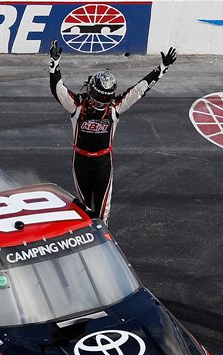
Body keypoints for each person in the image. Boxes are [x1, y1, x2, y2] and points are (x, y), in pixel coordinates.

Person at [48, 40, 177, 224]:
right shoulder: (77, 105)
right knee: (83, 209)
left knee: (102, 211)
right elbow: (58, 90)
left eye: (105, 97)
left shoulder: (115, 107)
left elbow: (139, 90)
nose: (102, 101)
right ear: (91, 90)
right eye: (99, 95)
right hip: (81, 161)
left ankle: (104, 242)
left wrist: (161, 68)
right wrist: (54, 64)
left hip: (103, 163)